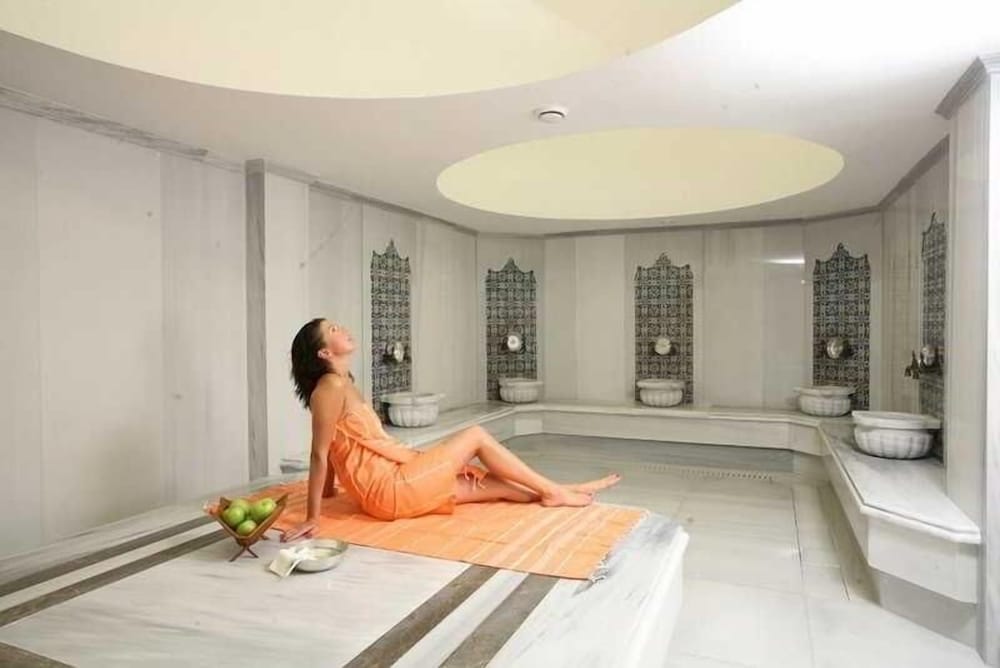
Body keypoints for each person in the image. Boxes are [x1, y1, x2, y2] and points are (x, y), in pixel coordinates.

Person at [282, 318, 621, 541]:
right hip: (389, 490)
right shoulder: (329, 388)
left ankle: (560, 490)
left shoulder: (344, 383)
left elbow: (337, 444)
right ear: (324, 351)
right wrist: (314, 516)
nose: (343, 329)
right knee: (475, 436)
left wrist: (330, 494)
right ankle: (555, 490)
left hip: (396, 483)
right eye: (333, 329)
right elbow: (320, 453)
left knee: (497, 486)